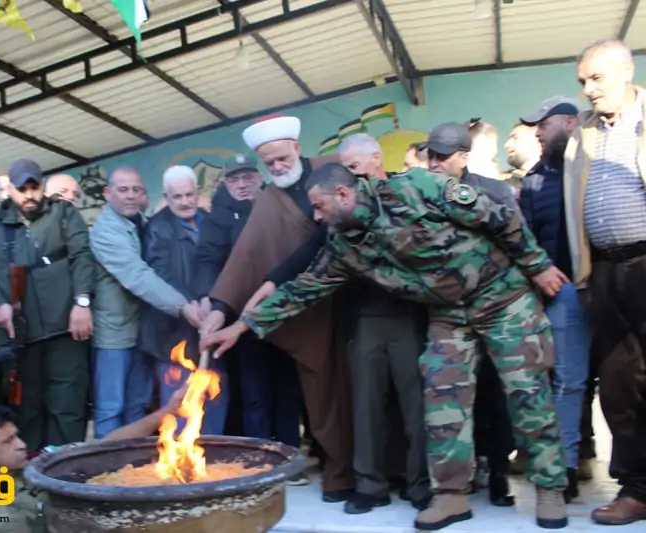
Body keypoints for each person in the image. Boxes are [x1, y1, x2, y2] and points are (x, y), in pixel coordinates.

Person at [202, 163, 569, 531]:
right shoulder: (346, 245)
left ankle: (550, 487)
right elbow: (303, 288)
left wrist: (537, 266)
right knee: (442, 400)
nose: (316, 216)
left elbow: (498, 217)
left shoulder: (415, 188)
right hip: (448, 313)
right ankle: (450, 495)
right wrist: (242, 326)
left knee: (527, 392)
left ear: (343, 194)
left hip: (502, 298)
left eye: (319, 207)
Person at [201, 114, 354, 504]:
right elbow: (246, 259)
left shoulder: (334, 171)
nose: (278, 167)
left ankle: (377, 471)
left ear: (298, 149)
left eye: (283, 159)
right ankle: (339, 472)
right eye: (269, 164)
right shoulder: (269, 200)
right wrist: (220, 308)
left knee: (362, 393)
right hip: (306, 308)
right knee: (321, 396)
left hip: (354, 304)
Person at [0, 389, 188, 533]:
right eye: (7, 442)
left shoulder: (44, 466)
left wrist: (166, 412)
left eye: (17, 436)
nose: (21, 445)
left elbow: (106, 446)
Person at [565, 39, 646, 526]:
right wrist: (584, 274)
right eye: (582, 82)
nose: (589, 90)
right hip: (606, 273)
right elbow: (575, 207)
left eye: (596, 78)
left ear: (626, 72)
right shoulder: (584, 133)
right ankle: (635, 489)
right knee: (619, 385)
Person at [0, 159, 95, 451]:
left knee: (68, 405)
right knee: (26, 411)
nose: (29, 194)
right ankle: (29, 479)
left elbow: (82, 255)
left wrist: (82, 302)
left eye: (35, 187)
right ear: (10, 190)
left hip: (66, 331)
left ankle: (67, 475)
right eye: (22, 189)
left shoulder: (63, 214)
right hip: (19, 338)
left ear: (43, 186)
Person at [330, 133, 431, 512]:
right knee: (366, 407)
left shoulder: (405, 193)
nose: (349, 176)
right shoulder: (344, 203)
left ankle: (420, 483)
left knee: (416, 408)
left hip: (408, 317)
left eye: (353, 167)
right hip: (365, 317)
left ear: (376, 159)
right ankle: (369, 485)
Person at [426, 121, 519, 506]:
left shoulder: (495, 191)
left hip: (495, 308)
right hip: (446, 313)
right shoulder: (420, 195)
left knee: (496, 395)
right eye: (430, 154)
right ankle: (453, 488)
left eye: (441, 157)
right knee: (449, 400)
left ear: (464, 158)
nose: (432, 162)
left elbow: (517, 242)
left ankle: (498, 472)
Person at [195, 155, 304, 478]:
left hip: (284, 313)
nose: (242, 185)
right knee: (253, 394)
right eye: (234, 180)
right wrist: (209, 297)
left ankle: (291, 459)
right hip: (240, 318)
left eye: (247, 177)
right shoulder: (219, 217)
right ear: (226, 184)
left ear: (260, 177)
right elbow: (207, 258)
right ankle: (260, 464)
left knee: (288, 390)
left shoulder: (282, 204)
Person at [90, 167, 200, 438]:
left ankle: (134, 468)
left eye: (136, 190)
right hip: (114, 334)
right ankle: (105, 471)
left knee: (138, 405)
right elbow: (138, 276)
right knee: (110, 408)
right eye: (123, 190)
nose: (130, 196)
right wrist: (183, 306)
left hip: (142, 331)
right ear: (107, 194)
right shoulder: (105, 231)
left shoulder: (142, 222)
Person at [518, 95, 590, 503]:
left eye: (543, 125)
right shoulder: (534, 177)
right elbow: (524, 237)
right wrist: (539, 274)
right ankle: (565, 464)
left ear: (567, 122)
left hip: (612, 283)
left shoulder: (594, 165)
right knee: (568, 382)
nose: (538, 133)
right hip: (563, 293)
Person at [139, 166, 222, 434]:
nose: (185, 202)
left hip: (211, 328)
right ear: (166, 196)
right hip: (173, 335)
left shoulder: (211, 222)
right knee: (179, 406)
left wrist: (214, 301)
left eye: (190, 194)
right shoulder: (155, 228)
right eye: (178, 197)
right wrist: (193, 301)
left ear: (198, 193)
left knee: (214, 399)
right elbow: (159, 274)